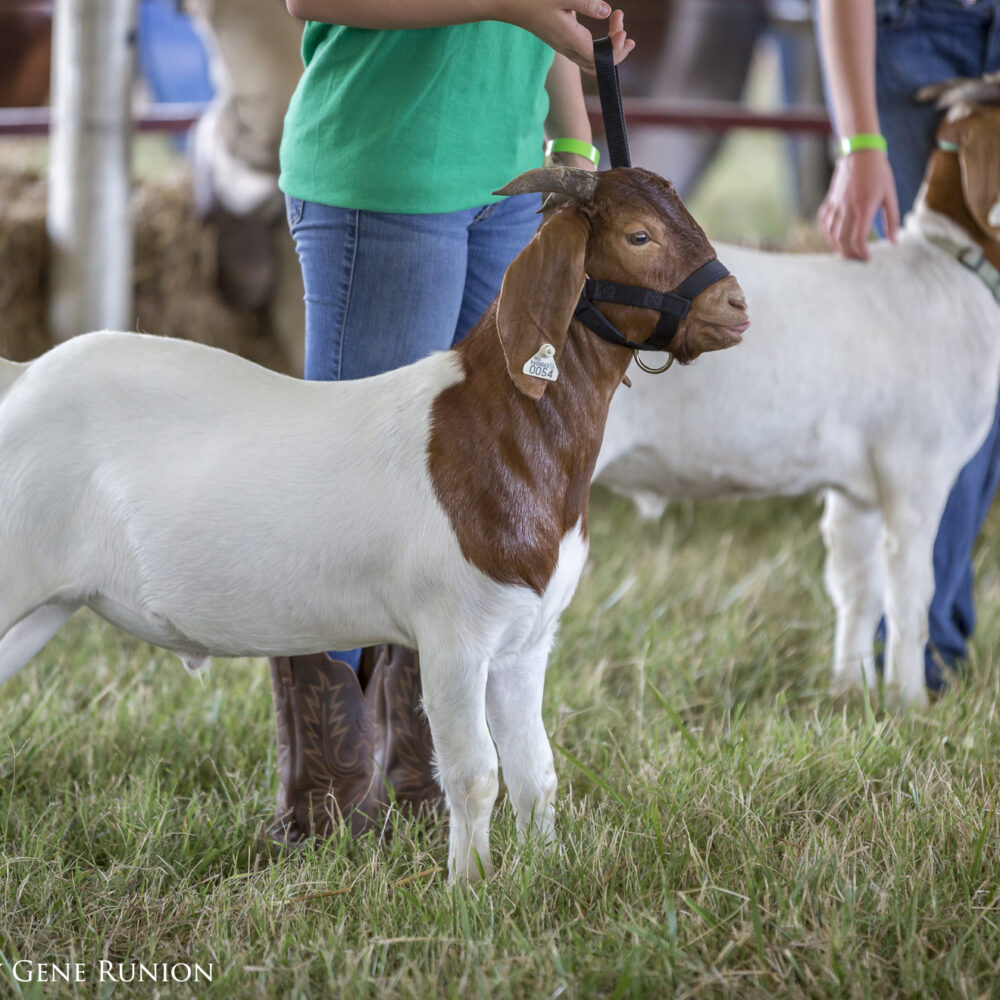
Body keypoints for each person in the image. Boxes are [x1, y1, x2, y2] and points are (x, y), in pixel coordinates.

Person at [269, 0, 633, 846]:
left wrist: (571, 139)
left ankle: (425, 774)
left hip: (505, 183)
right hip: (387, 171)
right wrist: (524, 10)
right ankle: (324, 799)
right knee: (350, 496)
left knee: (471, 495)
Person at [815, 0, 1000, 691]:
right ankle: (913, 651)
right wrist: (860, 144)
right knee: (927, 380)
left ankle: (923, 638)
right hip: (912, 29)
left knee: (976, 383)